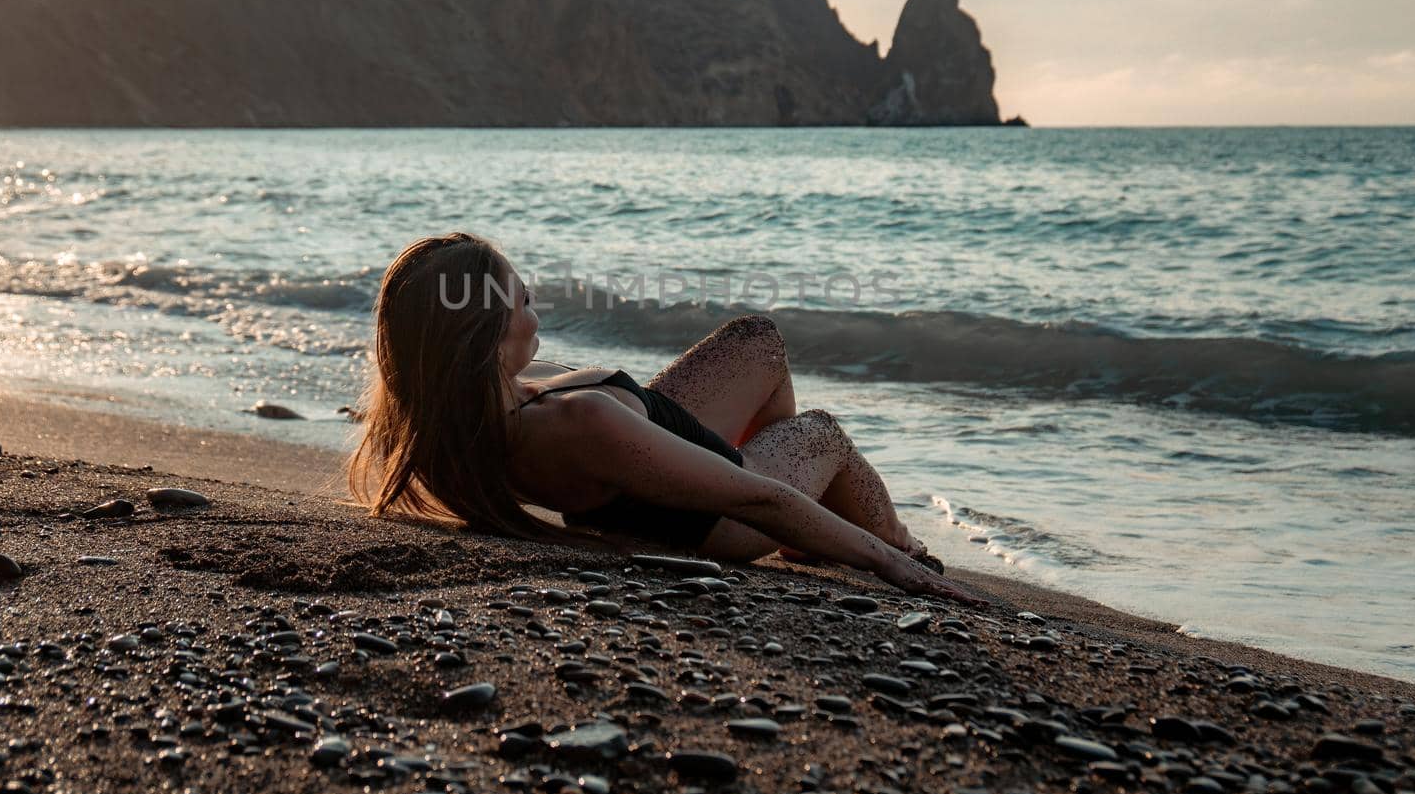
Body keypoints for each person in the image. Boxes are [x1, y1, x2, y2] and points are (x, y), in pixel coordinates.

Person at [348, 232, 981, 604]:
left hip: (650, 463)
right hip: (725, 517)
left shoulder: (457, 417)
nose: (536, 314)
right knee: (822, 433)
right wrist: (885, 562)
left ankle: (816, 533)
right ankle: (896, 539)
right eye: (525, 300)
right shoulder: (577, 424)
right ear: (487, 333)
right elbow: (764, 498)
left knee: (758, 339)